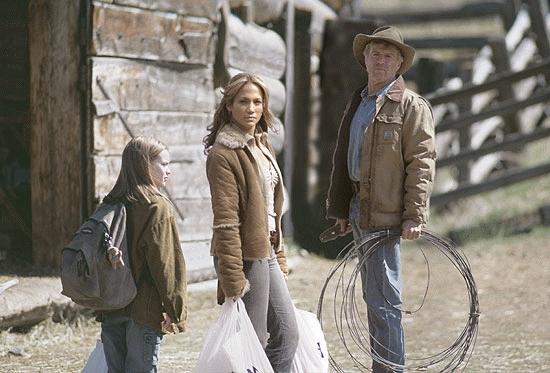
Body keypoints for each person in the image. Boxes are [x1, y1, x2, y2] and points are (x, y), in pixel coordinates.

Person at [326, 26, 436, 372]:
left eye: (389, 55)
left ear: (400, 63)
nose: (380, 60)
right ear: (365, 59)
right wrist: (343, 209)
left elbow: (422, 162)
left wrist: (414, 214)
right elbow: (346, 156)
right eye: (375, 53)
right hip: (361, 207)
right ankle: (384, 366)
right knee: (373, 296)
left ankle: (391, 369)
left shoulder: (410, 106)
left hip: (386, 212)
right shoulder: (361, 101)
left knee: (385, 298)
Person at [204, 72, 298, 372]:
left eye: (258, 102)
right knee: (252, 342)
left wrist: (279, 254)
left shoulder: (261, 144)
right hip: (244, 256)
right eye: (243, 101)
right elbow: (226, 221)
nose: (251, 108)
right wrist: (233, 276)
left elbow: (272, 209)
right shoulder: (223, 154)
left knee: (287, 335)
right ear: (229, 106)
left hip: (266, 250)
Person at [99, 136, 188, 373]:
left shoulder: (109, 204)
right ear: (143, 165)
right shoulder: (156, 207)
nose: (169, 171)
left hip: (111, 306)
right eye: (164, 164)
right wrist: (174, 309)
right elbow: (166, 265)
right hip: (143, 309)